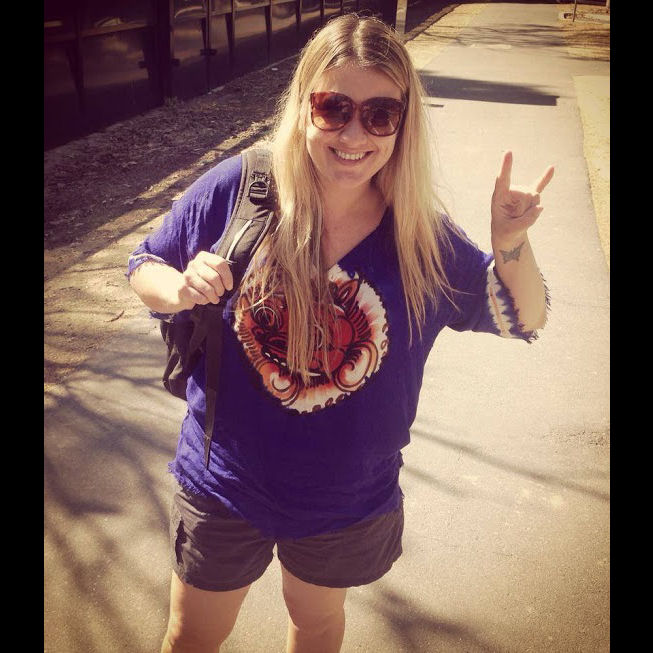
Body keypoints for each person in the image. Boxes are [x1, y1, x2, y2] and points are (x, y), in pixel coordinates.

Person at [127, 12, 553, 653]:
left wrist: (512, 242)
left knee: (317, 623)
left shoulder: (418, 235)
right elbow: (145, 264)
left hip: (346, 497)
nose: (354, 134)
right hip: (224, 482)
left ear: (403, 124)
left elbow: (524, 316)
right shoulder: (242, 188)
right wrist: (179, 289)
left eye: (381, 114)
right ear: (304, 106)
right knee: (191, 636)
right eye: (333, 108)